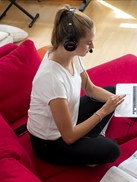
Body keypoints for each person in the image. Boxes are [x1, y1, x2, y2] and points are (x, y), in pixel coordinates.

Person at [27, 4, 125, 166]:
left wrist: (123, 101)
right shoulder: (51, 78)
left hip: (68, 121)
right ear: (70, 43)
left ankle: (89, 138)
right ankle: (90, 141)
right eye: (88, 43)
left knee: (113, 92)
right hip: (51, 142)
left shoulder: (71, 55)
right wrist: (104, 111)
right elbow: (69, 136)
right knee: (112, 149)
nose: (92, 47)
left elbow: (90, 89)